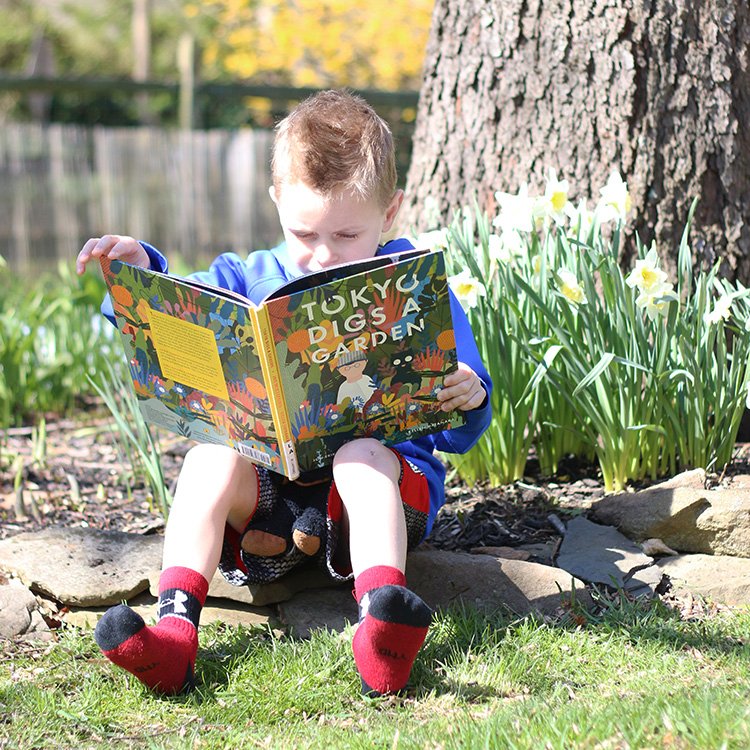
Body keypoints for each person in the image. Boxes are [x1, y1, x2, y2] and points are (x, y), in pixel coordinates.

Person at [76, 89, 493, 698]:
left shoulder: (414, 290)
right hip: (268, 511)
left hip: (371, 506)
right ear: (276, 202)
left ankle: (381, 623)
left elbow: (460, 430)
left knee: (360, 453)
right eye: (304, 234)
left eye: (348, 235)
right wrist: (140, 275)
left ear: (391, 212)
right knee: (209, 457)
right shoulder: (245, 278)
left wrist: (469, 393)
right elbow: (175, 316)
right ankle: (173, 633)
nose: (323, 256)